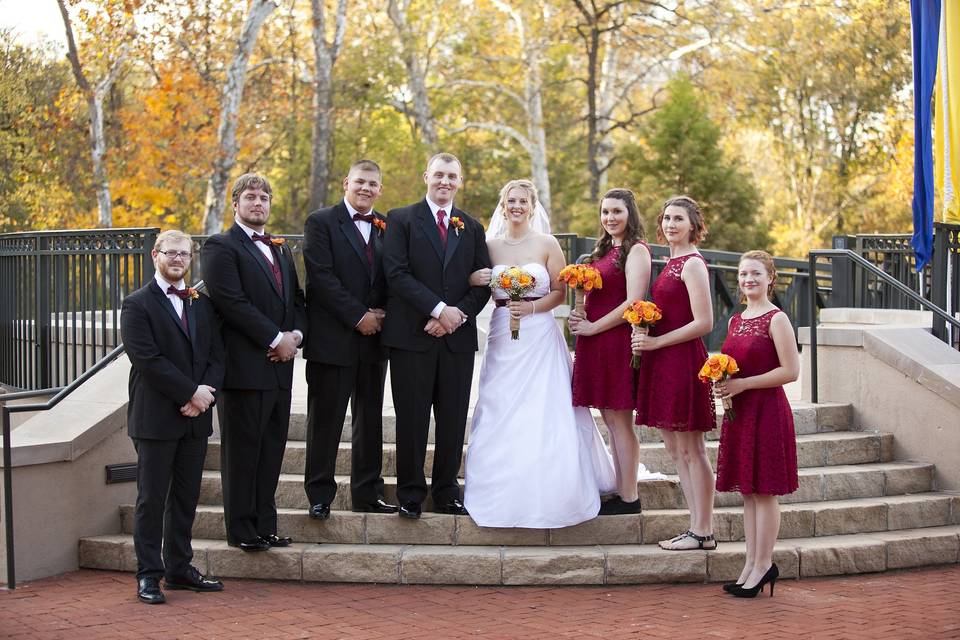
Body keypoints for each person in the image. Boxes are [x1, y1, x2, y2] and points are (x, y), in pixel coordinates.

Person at [463, 179, 616, 528]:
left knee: (545, 404)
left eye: (523, 201)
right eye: (511, 201)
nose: (517, 206)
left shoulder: (547, 244)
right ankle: (499, 486)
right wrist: (474, 278)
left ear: (533, 207)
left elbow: (560, 292)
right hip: (504, 331)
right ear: (503, 206)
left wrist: (530, 311)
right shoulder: (489, 246)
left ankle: (555, 487)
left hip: (539, 332)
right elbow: (476, 281)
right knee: (500, 401)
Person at [381, 152, 491, 519]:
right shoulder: (400, 219)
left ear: (460, 181)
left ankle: (446, 492)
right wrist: (436, 309)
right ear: (425, 175)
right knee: (412, 417)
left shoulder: (472, 227)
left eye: (452, 176)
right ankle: (410, 493)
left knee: (452, 417)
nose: (445, 182)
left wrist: (455, 316)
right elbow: (396, 274)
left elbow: (483, 281)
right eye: (439, 174)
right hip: (412, 336)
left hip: (456, 338)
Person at [201, 173, 307, 551]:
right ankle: (242, 530)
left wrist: (295, 335)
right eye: (250, 197)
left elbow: (296, 299)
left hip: (280, 370)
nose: (258, 203)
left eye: (264, 197)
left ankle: (266, 525)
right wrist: (275, 338)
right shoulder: (220, 247)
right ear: (235, 204)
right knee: (243, 453)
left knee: (271, 451)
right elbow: (231, 302)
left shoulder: (280, 249)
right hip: (246, 369)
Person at [121, 229, 225, 604]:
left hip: (195, 418)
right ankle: (149, 574)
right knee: (152, 498)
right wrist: (189, 393)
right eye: (171, 253)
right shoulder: (137, 304)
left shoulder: (203, 303)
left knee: (185, 498)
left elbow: (217, 356)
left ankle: (179, 569)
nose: (178, 259)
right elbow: (147, 359)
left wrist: (203, 396)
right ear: (156, 255)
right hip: (156, 418)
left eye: (184, 254)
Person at [301, 159, 396, 519]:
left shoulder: (388, 225)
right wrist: (359, 317)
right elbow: (321, 278)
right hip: (334, 337)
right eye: (360, 182)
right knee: (326, 419)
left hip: (375, 340)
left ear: (379, 189)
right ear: (346, 183)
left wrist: (383, 314)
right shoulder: (321, 222)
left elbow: (394, 275)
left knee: (369, 419)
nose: (366, 188)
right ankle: (320, 495)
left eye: (373, 184)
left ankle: (368, 493)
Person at [632, 195, 716, 550]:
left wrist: (657, 342)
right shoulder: (670, 261)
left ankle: (704, 530)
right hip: (662, 360)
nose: (670, 225)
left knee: (692, 448)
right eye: (666, 218)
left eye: (678, 219)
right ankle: (694, 526)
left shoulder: (693, 264)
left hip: (683, 361)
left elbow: (705, 322)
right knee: (674, 448)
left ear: (693, 225)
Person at [715, 250, 799, 598]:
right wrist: (723, 384)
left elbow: (791, 371)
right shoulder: (736, 320)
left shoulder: (776, 319)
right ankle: (750, 563)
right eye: (743, 274)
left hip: (767, 411)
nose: (748, 279)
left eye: (755, 274)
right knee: (748, 492)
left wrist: (743, 384)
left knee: (764, 492)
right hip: (741, 413)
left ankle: (764, 564)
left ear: (770, 279)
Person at [569, 188, 652, 515]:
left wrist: (593, 326)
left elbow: (633, 302)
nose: (610, 218)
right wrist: (581, 315)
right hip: (595, 341)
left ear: (630, 213)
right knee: (608, 418)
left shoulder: (637, 251)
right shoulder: (603, 250)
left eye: (616, 211)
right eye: (605, 212)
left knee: (620, 421)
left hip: (616, 340)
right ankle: (621, 489)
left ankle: (630, 497)